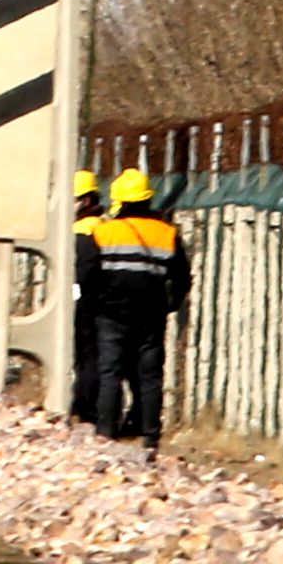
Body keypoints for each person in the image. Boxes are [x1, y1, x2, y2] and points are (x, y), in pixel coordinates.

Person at [73, 166, 188, 444]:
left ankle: (106, 431)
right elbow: (182, 276)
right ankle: (150, 436)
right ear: (148, 199)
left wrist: (91, 305)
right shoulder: (166, 233)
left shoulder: (104, 233)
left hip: (110, 313)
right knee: (149, 375)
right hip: (151, 314)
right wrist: (171, 304)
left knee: (110, 371)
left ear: (119, 201)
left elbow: (86, 274)